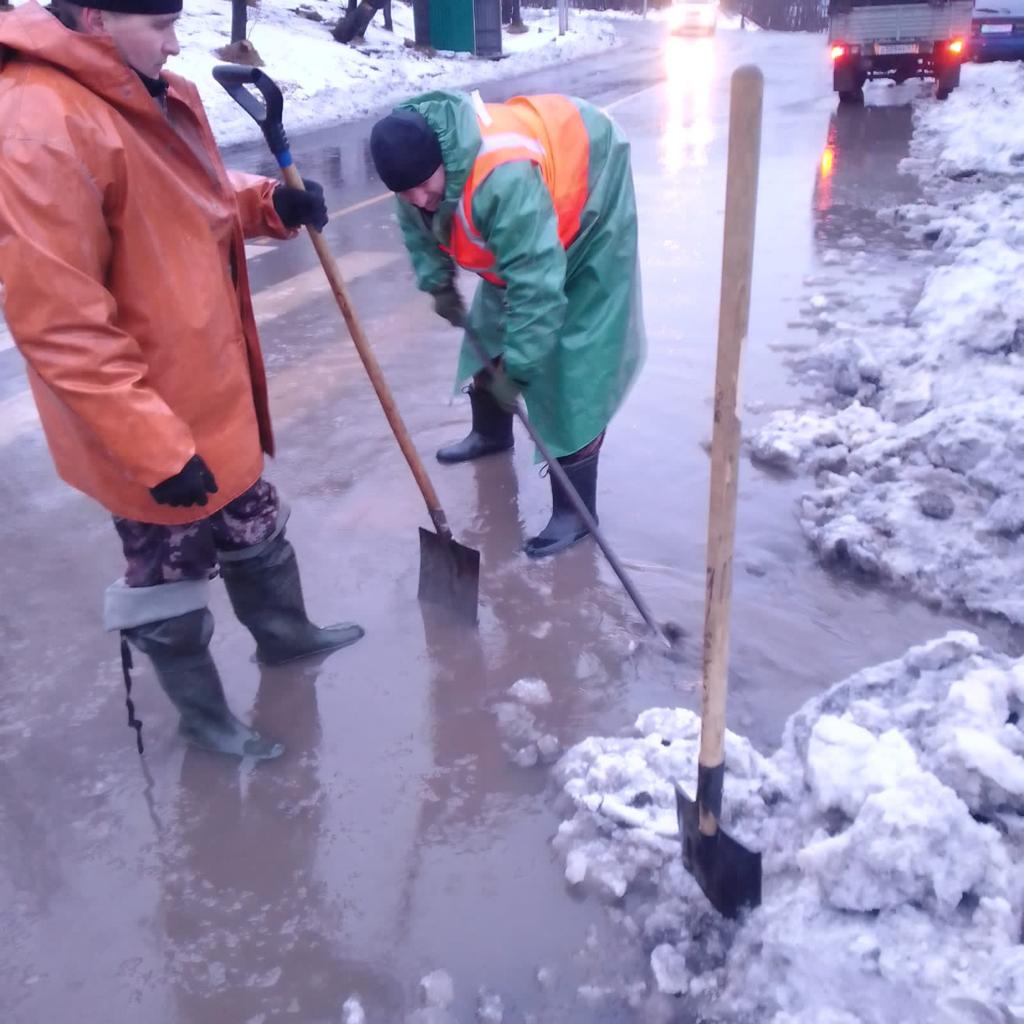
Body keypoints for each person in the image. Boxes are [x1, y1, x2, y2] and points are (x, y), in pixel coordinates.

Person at [0, 0, 364, 760]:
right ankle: (206, 721)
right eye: (159, 25)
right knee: (167, 574)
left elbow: (190, 199)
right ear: (97, 18)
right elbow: (60, 322)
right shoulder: (38, 125)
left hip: (211, 390)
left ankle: (286, 637)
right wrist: (153, 448)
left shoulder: (153, 89)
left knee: (254, 520)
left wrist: (269, 203)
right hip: (144, 418)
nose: (176, 42)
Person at [369, 89, 646, 558]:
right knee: (489, 326)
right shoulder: (414, 174)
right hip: (529, 219)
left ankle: (576, 512)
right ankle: (491, 434)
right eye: (405, 192)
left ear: (443, 160)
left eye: (423, 185)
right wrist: (438, 283)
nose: (418, 197)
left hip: (593, 197)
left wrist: (517, 371)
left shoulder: (504, 178)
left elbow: (537, 286)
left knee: (572, 363)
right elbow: (418, 229)